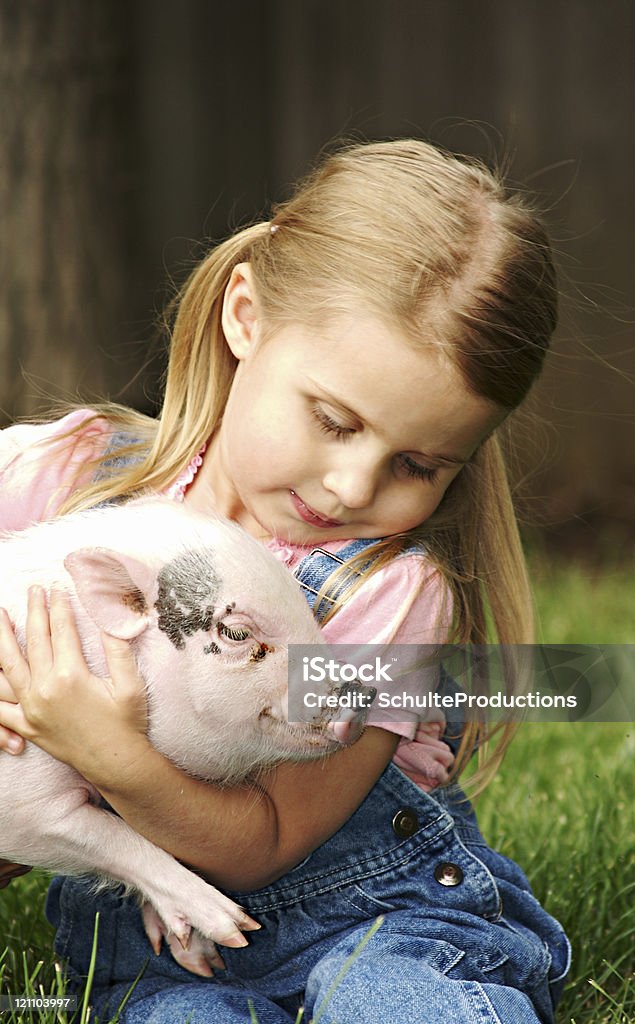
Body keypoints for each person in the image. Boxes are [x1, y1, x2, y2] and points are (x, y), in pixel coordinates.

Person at [0, 139, 570, 1023]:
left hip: (379, 921)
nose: (353, 487)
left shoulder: (391, 590)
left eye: (416, 465)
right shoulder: (67, 476)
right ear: (245, 317)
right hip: (160, 958)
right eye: (333, 420)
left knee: (395, 1005)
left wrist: (103, 756)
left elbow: (260, 845)